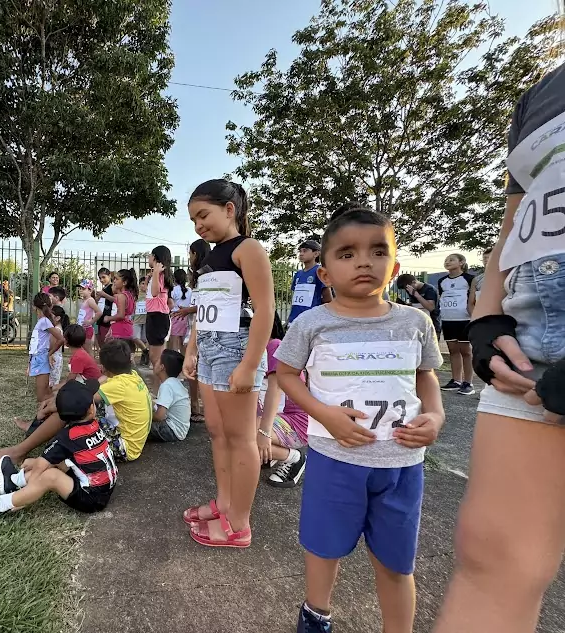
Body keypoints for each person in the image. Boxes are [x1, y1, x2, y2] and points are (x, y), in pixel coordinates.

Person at [433, 62, 565, 633]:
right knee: (492, 554)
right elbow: (513, 226)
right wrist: (490, 317)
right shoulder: (538, 97)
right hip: (528, 352)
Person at [274, 204, 444, 633]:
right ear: (325, 273)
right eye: (347, 253)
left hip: (402, 463)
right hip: (335, 459)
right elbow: (287, 375)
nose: (364, 261)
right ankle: (317, 614)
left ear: (396, 264)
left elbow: (425, 376)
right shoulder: (312, 323)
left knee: (396, 560)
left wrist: (436, 414)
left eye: (378, 251)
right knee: (323, 548)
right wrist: (324, 414)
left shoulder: (415, 322)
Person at [182, 179, 274, 549]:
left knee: (241, 438)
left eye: (203, 215)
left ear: (230, 209)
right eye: (192, 220)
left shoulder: (248, 249)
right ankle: (224, 504)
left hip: (237, 348)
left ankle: (239, 523)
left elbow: (266, 310)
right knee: (218, 433)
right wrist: (192, 349)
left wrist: (250, 363)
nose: (198, 225)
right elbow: (204, 312)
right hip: (210, 348)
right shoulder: (209, 258)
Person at [0, 380, 117, 520]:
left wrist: (32, 487)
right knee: (52, 463)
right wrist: (37, 463)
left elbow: (42, 466)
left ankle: (3, 504)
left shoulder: (66, 438)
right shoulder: (93, 424)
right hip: (102, 488)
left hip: (92, 498)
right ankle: (13, 482)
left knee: (50, 475)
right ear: (91, 410)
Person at [0, 339, 151, 465]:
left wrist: (51, 406)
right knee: (74, 403)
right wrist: (54, 400)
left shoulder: (118, 385)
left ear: (104, 367)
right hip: (131, 442)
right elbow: (94, 383)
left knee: (71, 408)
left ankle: (19, 451)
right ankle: (36, 430)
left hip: (123, 447)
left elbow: (77, 398)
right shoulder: (132, 377)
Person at [258, 320, 309, 489]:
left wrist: (263, 433)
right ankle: (272, 452)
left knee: (243, 433)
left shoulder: (274, 345)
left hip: (296, 421)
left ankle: (294, 458)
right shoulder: (255, 352)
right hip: (276, 418)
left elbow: (276, 388)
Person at [174, 239, 211, 423]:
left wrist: (187, 310)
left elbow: (205, 304)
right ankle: (196, 405)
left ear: (196, 254)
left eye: (190, 253)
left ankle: (199, 407)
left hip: (202, 329)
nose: (189, 257)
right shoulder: (198, 275)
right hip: (195, 327)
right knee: (194, 369)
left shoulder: (206, 275)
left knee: (197, 369)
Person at [438, 253, 476, 395]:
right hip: (448, 319)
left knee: (466, 351)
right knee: (453, 351)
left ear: (461, 262)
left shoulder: (469, 279)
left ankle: (468, 382)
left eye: (451, 260)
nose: (447, 262)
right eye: (446, 260)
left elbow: (473, 299)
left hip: (464, 320)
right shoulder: (442, 281)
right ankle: (456, 380)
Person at [145, 246, 174, 393]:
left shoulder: (160, 275)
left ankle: (162, 390)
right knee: (154, 358)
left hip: (158, 317)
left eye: (150, 255)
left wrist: (156, 273)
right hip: (153, 316)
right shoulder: (156, 275)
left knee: (157, 359)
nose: (148, 258)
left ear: (156, 257)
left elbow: (155, 292)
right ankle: (159, 390)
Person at [28, 292, 65, 403]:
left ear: (34, 306)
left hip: (41, 358)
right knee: (44, 393)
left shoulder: (44, 321)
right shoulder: (43, 321)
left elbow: (61, 339)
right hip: (37, 358)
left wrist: (49, 353)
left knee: (42, 396)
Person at [149, 349, 191, 442]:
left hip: (172, 430)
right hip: (180, 429)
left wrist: (145, 417)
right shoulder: (174, 383)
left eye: (158, 361)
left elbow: (159, 416)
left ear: (161, 367)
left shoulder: (167, 386)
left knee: (140, 426)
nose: (155, 363)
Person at [288, 239, 332, 324]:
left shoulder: (319, 272)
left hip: (311, 321)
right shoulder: (298, 274)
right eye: (300, 251)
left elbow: (328, 299)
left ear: (316, 253)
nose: (301, 253)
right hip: (294, 320)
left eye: (305, 251)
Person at [396, 273, 441, 339]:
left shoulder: (429, 290)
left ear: (414, 282)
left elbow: (431, 307)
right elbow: (415, 305)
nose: (407, 290)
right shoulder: (410, 291)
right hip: (417, 324)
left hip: (431, 324)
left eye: (407, 287)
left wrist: (416, 294)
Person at [104, 269, 136, 344]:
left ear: (124, 282)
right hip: (127, 329)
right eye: (114, 278)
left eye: (117, 279)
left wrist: (108, 318)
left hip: (121, 331)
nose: (114, 281)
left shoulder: (121, 296)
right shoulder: (129, 295)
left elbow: (121, 315)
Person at [169, 268, 193, 353]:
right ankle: (183, 360)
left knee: (174, 343)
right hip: (186, 317)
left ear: (175, 278)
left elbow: (170, 304)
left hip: (175, 316)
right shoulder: (190, 290)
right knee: (183, 343)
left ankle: (176, 362)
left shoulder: (173, 290)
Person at [75, 279, 101, 357]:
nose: (80, 290)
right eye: (80, 288)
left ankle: (91, 367)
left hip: (87, 329)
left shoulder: (90, 300)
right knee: (83, 350)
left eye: (83, 289)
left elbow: (99, 312)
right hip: (82, 329)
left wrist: (91, 322)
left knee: (88, 351)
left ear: (90, 290)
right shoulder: (85, 300)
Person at [467, 245, 493, 315]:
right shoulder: (476, 279)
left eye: (490, 257)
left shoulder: (508, 276)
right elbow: (471, 304)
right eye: (485, 258)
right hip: (483, 317)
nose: (486, 260)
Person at [132, 272, 150, 365]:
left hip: (147, 320)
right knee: (134, 337)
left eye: (146, 284)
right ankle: (146, 350)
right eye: (142, 283)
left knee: (145, 339)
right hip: (137, 319)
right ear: (139, 285)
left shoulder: (149, 295)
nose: (144, 286)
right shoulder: (136, 295)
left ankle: (144, 356)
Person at [94, 267, 114, 350]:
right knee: (101, 340)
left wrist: (104, 295)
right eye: (100, 278)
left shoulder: (113, 287)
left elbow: (115, 300)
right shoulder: (104, 288)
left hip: (108, 318)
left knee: (107, 342)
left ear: (109, 275)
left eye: (103, 277)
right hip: (101, 318)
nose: (102, 280)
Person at [49, 305, 68, 388]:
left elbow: (51, 345)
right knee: (54, 379)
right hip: (57, 357)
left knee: (52, 381)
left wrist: (49, 353)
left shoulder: (56, 330)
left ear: (57, 318)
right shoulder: (59, 328)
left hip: (54, 357)